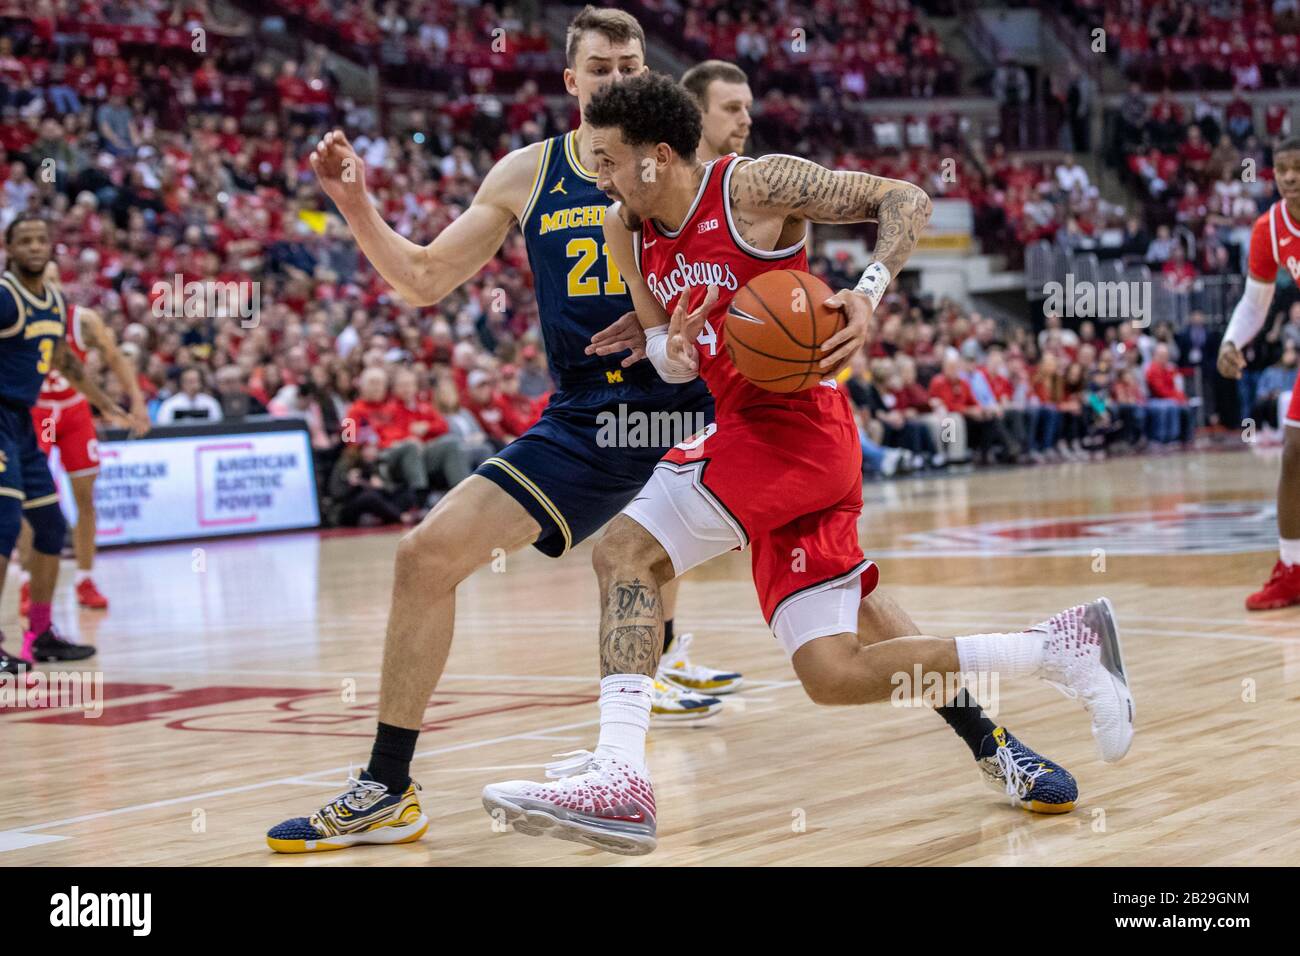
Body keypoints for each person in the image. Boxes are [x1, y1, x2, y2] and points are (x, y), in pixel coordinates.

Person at [479, 73, 1129, 855]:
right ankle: (1060, 646)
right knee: (833, 672)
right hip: (763, 434)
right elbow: (671, 355)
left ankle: (621, 773)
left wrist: (868, 291)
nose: (599, 179)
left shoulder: (753, 187)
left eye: (610, 161)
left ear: (657, 156)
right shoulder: (626, 229)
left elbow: (907, 200)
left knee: (624, 549)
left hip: (794, 429)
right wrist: (670, 350)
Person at [266, 7, 740, 854]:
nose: (619, 78)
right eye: (601, 67)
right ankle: (387, 785)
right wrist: (356, 204)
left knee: (832, 591)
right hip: (589, 421)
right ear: (571, 82)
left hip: (701, 408)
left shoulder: (686, 167)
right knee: (424, 557)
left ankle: (991, 731)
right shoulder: (528, 175)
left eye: (632, 63)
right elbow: (422, 277)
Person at [0, 216, 131, 675]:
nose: (35, 247)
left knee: (52, 526)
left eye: (41, 239)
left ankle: (40, 635)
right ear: (9, 247)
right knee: (4, 522)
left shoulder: (54, 302)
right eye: (25, 240)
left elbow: (66, 366)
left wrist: (108, 406)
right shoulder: (4, 296)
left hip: (21, 421)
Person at [14, 262, 150, 614]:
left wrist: (135, 401)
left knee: (86, 497)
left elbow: (116, 358)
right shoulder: (17, 318)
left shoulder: (82, 320)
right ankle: (29, 582)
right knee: (34, 500)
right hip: (38, 412)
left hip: (74, 412)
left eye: (56, 280)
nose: (51, 286)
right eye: (45, 280)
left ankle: (85, 578)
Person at [1217, 136, 1300, 610]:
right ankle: (1291, 569)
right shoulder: (1269, 229)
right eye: (1281, 169)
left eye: (1297, 168)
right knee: (1294, 452)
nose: (1288, 177)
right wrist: (1231, 341)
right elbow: (1255, 303)